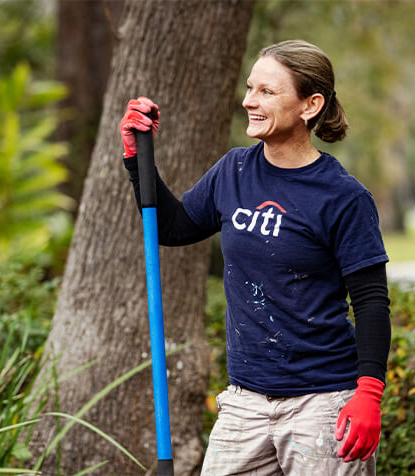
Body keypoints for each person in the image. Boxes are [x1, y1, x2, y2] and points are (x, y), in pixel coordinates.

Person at [119, 40, 391, 476]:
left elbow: (372, 300)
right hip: (245, 402)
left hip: (322, 403)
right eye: (250, 88)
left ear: (310, 105)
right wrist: (138, 159)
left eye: (267, 91)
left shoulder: (343, 197)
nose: (249, 101)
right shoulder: (234, 171)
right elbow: (173, 228)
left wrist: (369, 393)